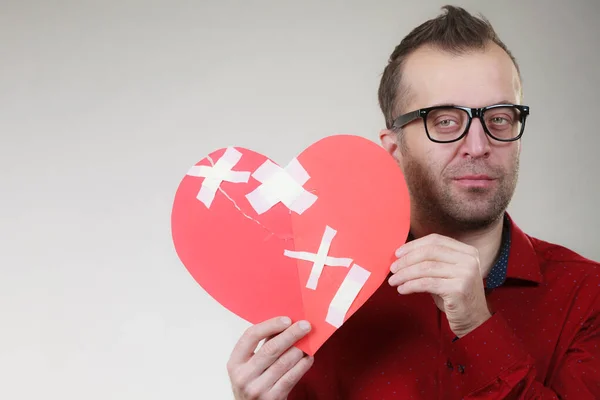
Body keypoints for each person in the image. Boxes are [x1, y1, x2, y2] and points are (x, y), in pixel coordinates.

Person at [226, 5, 600, 399]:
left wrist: (477, 326)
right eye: (445, 121)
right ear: (393, 150)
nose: (479, 145)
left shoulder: (589, 296)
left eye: (500, 118)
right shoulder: (322, 299)